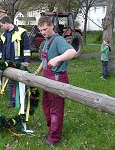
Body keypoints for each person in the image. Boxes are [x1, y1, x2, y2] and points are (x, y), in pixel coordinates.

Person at [35, 16, 77, 146]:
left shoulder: (58, 40)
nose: (43, 32)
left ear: (52, 26)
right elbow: (45, 60)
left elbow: (72, 52)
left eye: (45, 29)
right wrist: (37, 72)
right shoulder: (46, 41)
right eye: (41, 30)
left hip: (57, 78)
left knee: (55, 109)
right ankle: (52, 130)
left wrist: (58, 59)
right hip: (47, 77)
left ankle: (54, 138)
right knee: (46, 105)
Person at [0, 16, 31, 107]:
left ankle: (27, 99)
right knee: (12, 82)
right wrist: (0, 61)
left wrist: (26, 60)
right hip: (8, 62)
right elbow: (0, 49)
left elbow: (26, 48)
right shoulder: (3, 35)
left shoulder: (21, 32)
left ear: (7, 23)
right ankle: (12, 101)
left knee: (23, 81)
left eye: (2, 25)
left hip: (19, 61)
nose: (1, 27)